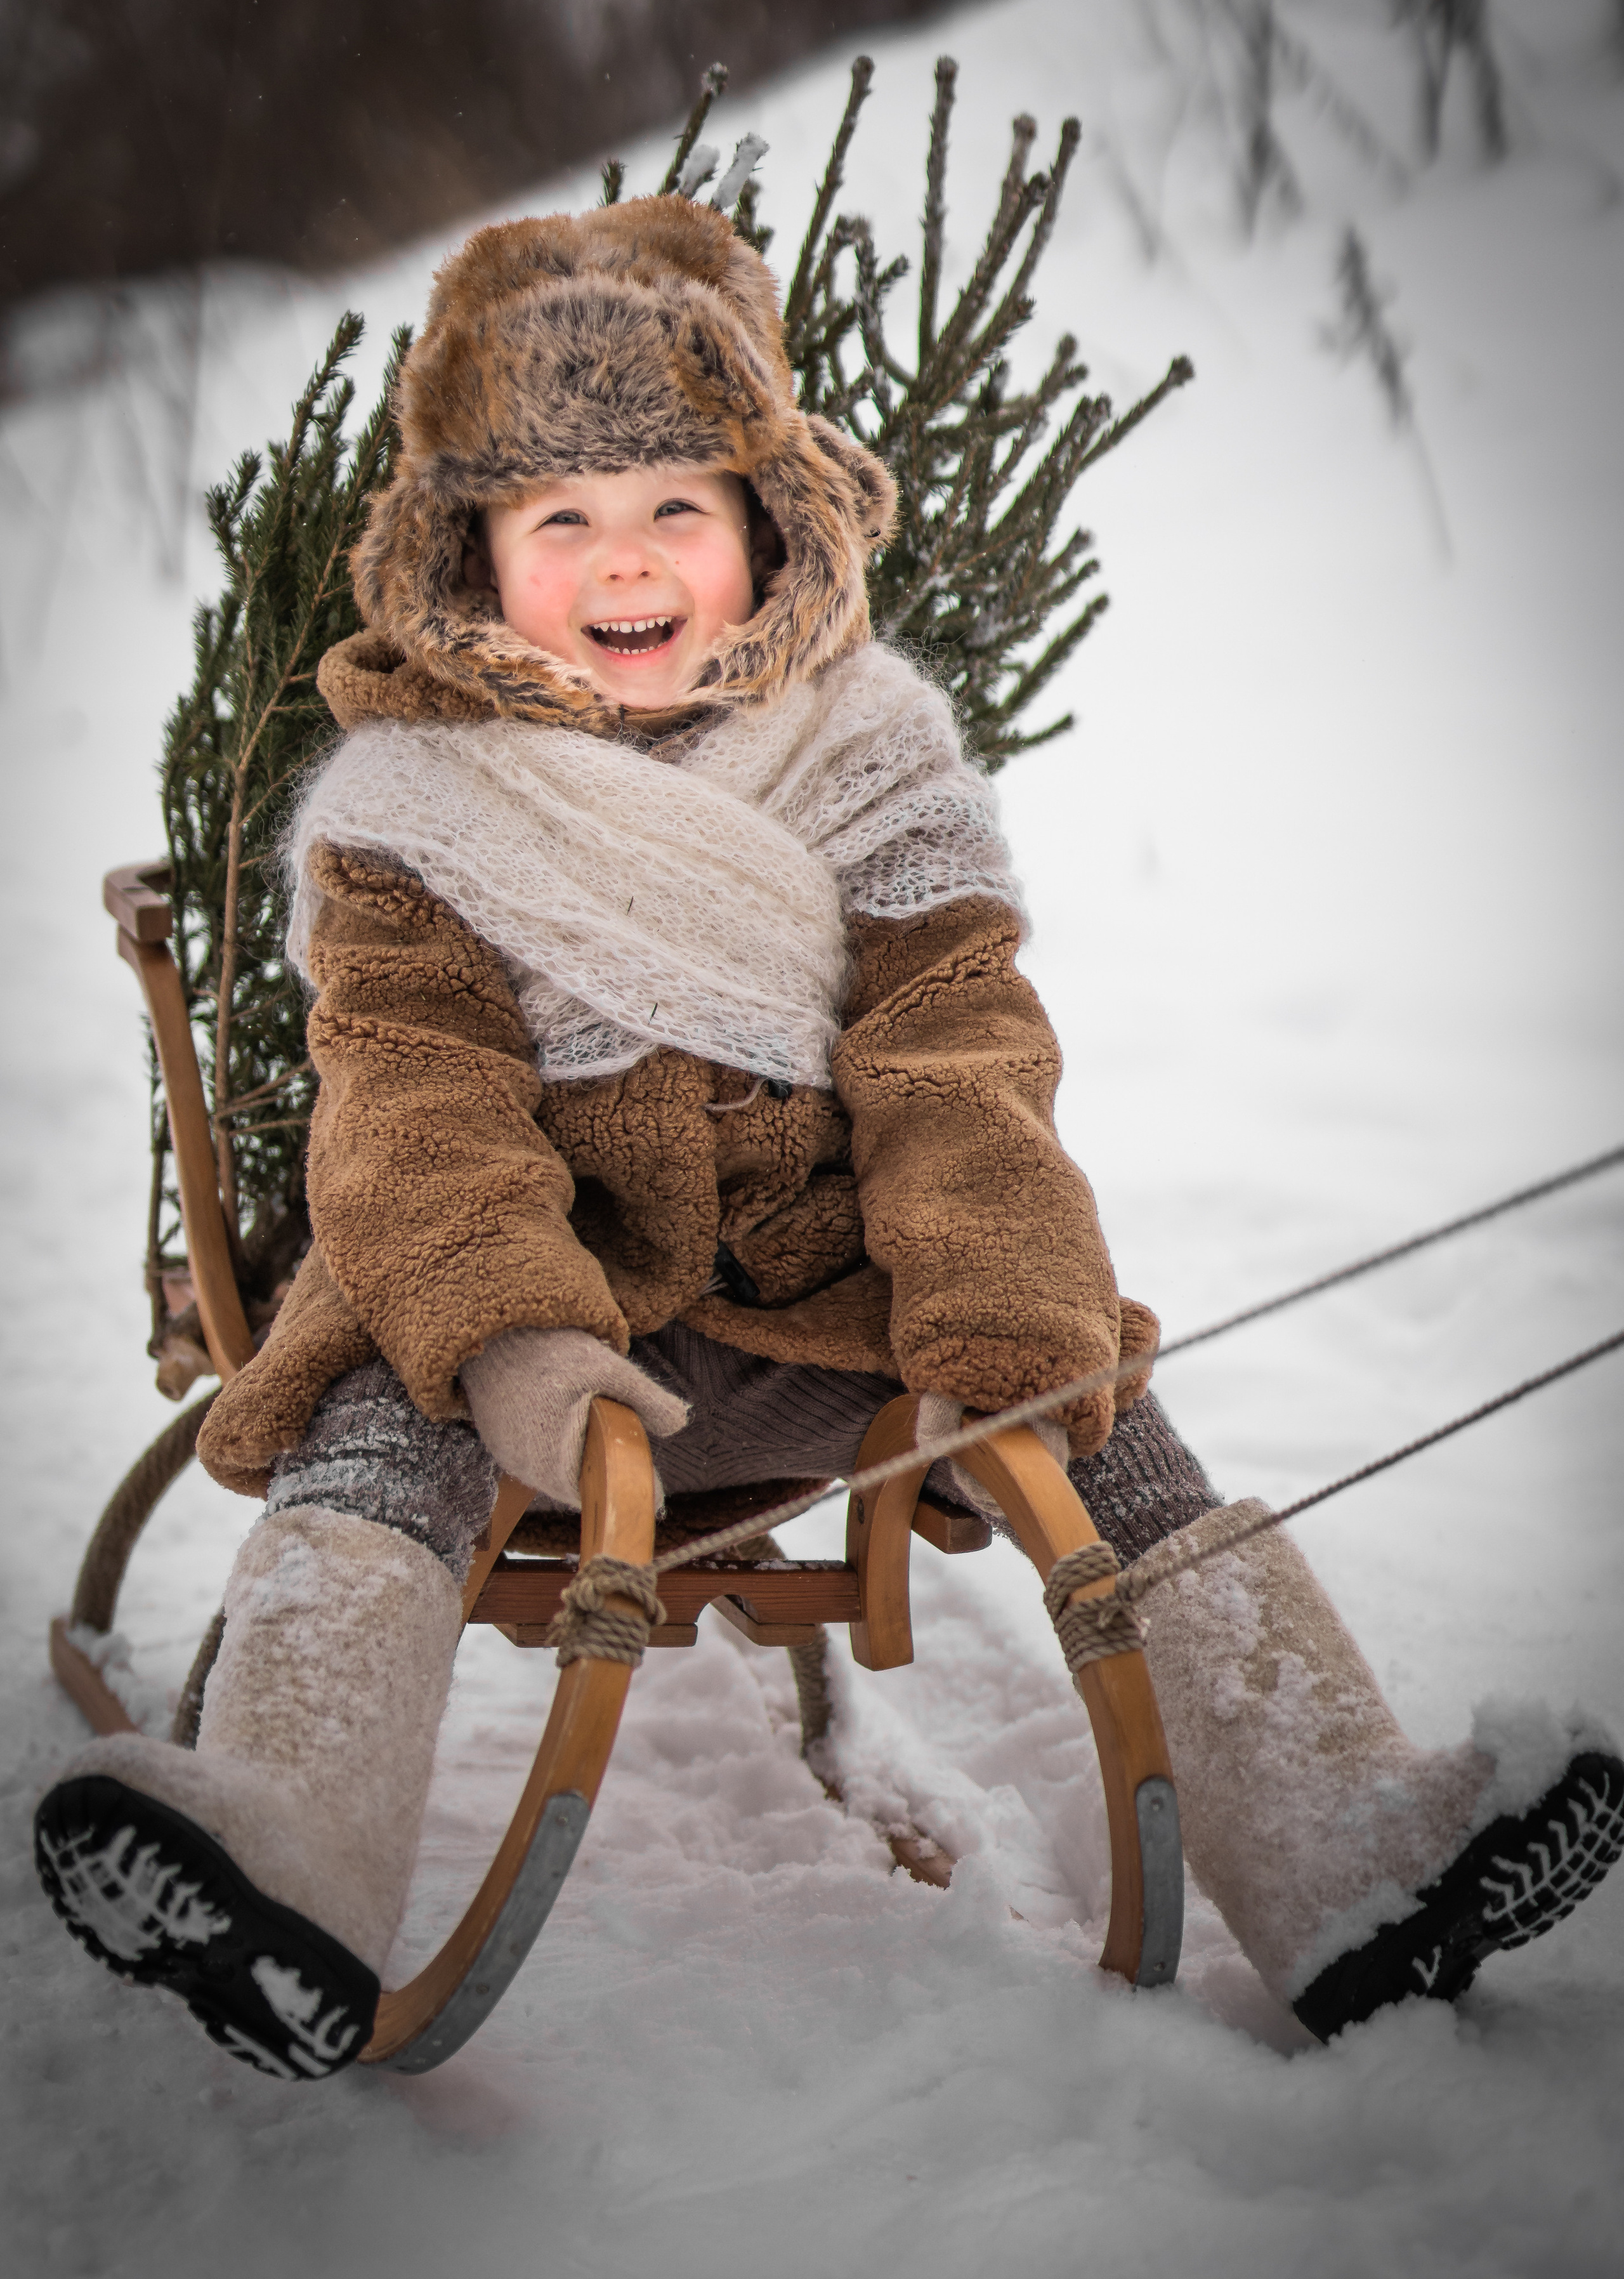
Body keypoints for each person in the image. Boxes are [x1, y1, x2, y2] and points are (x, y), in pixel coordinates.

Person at [34, 195, 1622, 2080]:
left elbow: (959, 1063)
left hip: (815, 1337)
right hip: (527, 1340)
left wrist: (1000, 1331)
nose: (625, 562)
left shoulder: (872, 763)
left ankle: (1352, 1844)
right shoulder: (412, 813)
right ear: (470, 555)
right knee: (375, 1428)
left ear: (768, 525)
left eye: (674, 509)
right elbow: (415, 1096)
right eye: (562, 520)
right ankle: (285, 1847)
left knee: (1105, 1422)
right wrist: (517, 1339)